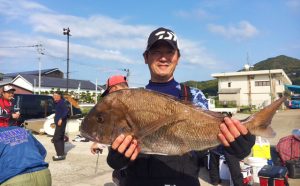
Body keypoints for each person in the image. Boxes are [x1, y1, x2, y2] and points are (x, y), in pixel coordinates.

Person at [106, 27, 255, 186]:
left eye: (169, 52)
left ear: (178, 57)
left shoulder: (195, 97)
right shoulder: (132, 100)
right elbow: (120, 146)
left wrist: (237, 145)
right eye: (156, 51)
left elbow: (213, 145)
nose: (163, 57)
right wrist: (116, 159)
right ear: (145, 57)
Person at [90, 75, 129, 154]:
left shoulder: (119, 105)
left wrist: (98, 144)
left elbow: (115, 131)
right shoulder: (138, 99)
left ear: (114, 89)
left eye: (108, 92)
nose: (108, 96)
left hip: (124, 154)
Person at [52, 91, 69, 161]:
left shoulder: (62, 102)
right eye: (53, 95)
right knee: (61, 138)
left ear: (59, 96)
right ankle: (61, 153)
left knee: (56, 139)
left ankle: (60, 155)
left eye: (55, 95)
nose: (54, 97)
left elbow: (66, 111)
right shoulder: (58, 102)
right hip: (59, 123)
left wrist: (61, 119)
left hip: (61, 123)